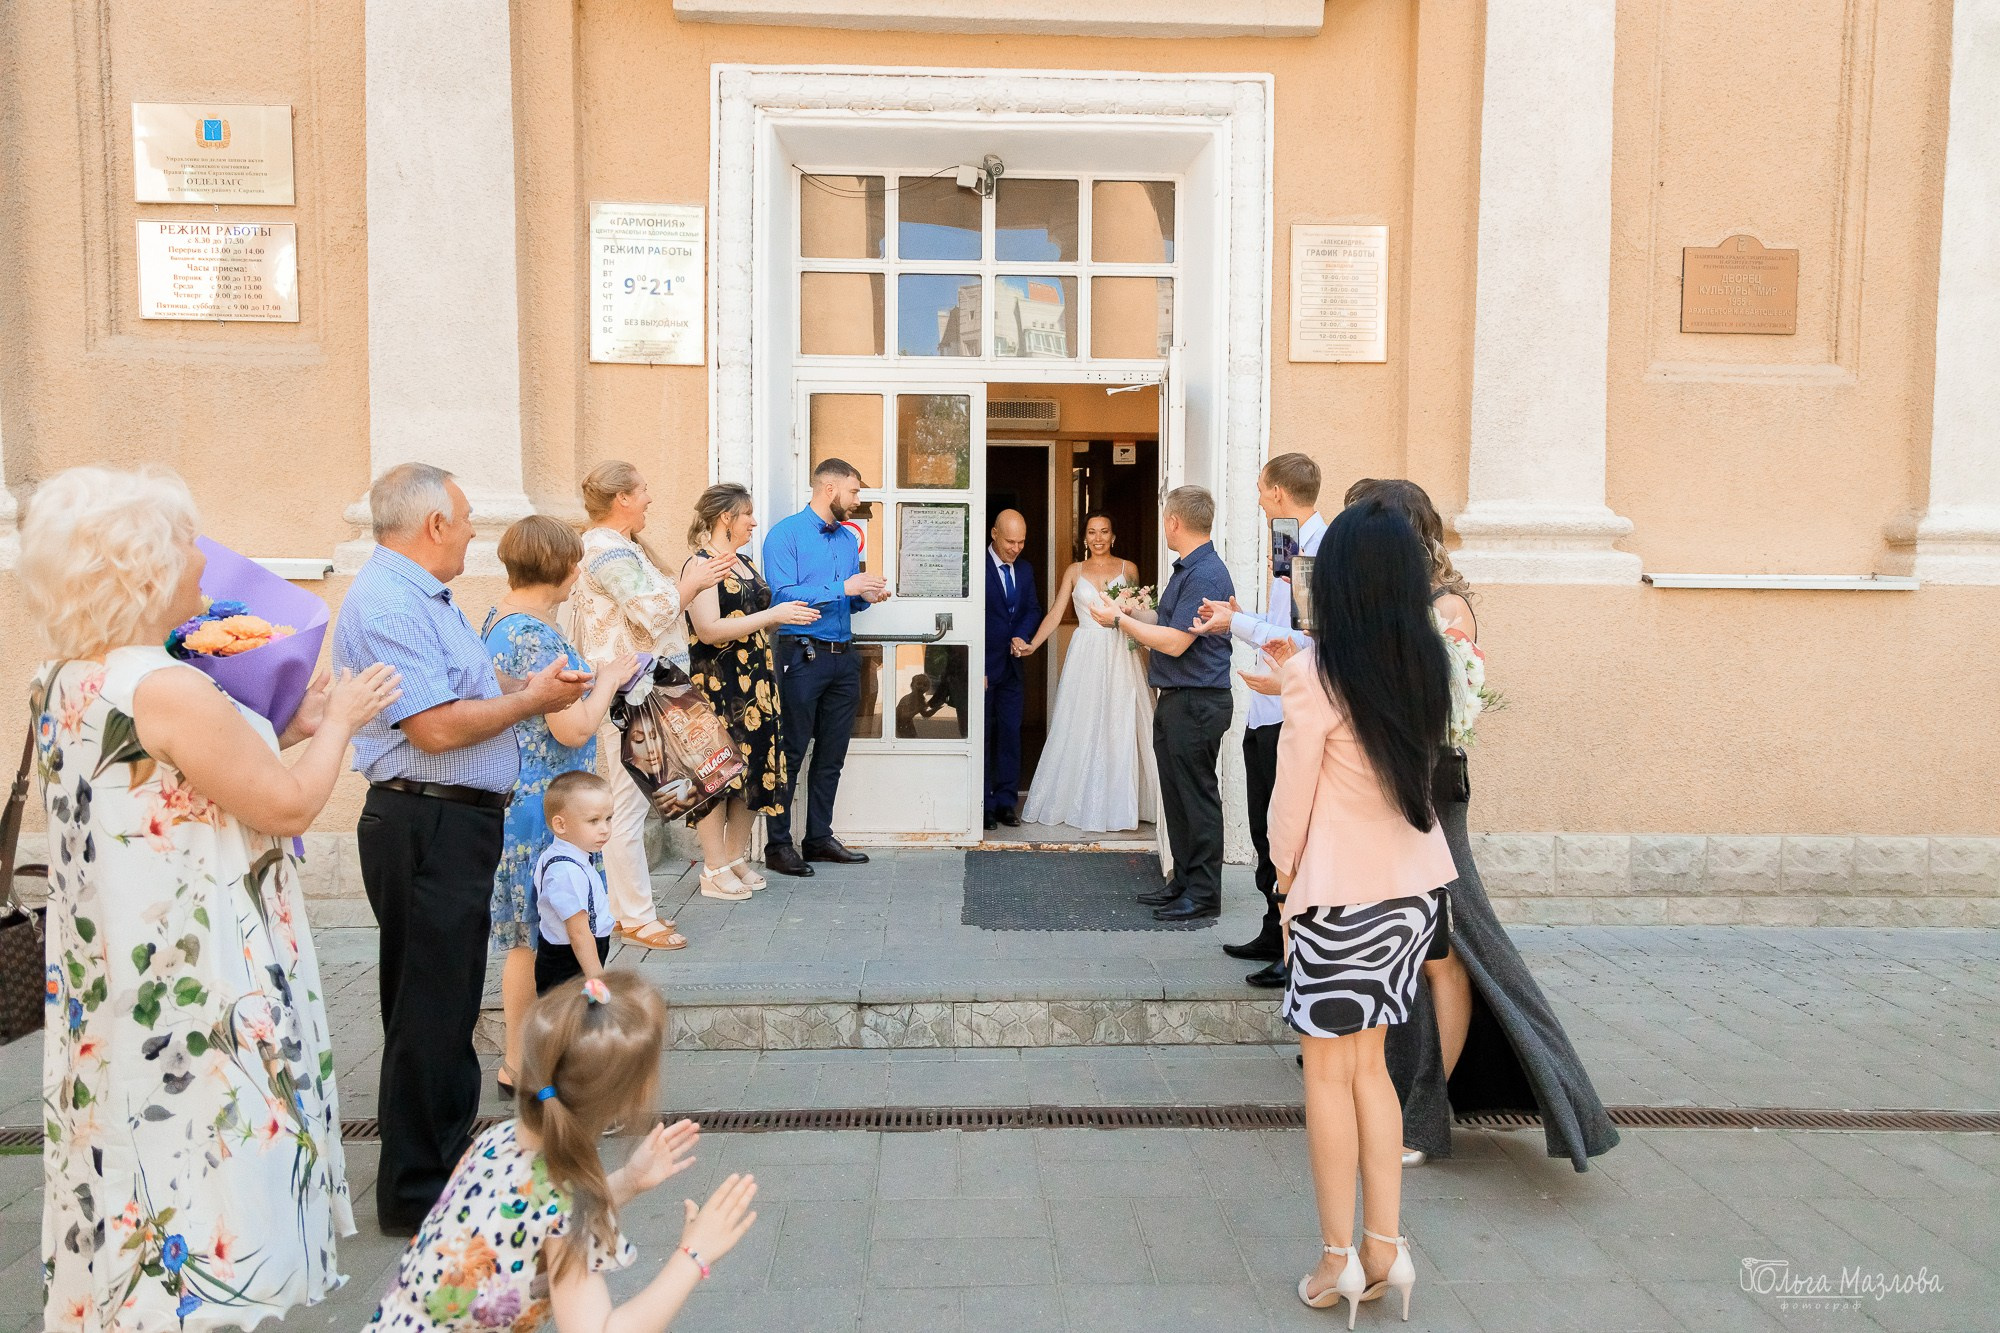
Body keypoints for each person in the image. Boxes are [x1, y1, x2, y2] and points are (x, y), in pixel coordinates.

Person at [21, 465, 403, 1330]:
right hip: (197, 977)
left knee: (135, 1157)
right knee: (210, 1174)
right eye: (186, 541)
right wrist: (344, 719)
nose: (204, 558)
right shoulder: (169, 686)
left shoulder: (65, 677)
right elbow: (287, 805)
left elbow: (178, 783)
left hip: (120, 979)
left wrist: (290, 725)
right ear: (144, 568)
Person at [333, 462, 591, 1235]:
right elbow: (436, 727)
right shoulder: (390, 602)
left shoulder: (423, 597)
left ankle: (438, 1172)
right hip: (426, 820)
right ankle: (418, 1193)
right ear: (434, 525)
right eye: (468, 516)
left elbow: (459, 700)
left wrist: (525, 692)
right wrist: (533, 700)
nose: (476, 530)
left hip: (448, 820)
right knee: (429, 1012)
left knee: (442, 1009)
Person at [1345, 478, 1620, 1173]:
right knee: (1421, 951)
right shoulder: (1402, 605)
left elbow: (1442, 712)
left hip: (1432, 794)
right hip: (1399, 789)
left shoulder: (1445, 609)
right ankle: (1400, 1099)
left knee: (1453, 950)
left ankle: (1423, 1116)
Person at [1268, 498, 1458, 1323]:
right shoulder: (1425, 664)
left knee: (1328, 1074)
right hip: (1409, 892)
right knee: (1372, 1067)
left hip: (1336, 897)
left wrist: (1282, 881)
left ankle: (1335, 1257)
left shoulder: (1316, 673)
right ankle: (1386, 1247)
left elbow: (1291, 805)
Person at [365, 973, 761, 1330]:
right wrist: (693, 1255)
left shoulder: (498, 1140)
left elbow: (533, 1216)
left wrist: (628, 1181)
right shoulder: (565, 1207)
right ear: (627, 1097)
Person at [484, 514, 639, 1099]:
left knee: (527, 939)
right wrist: (611, 679)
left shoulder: (499, 621)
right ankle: (534, 1066)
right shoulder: (535, 635)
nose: (579, 571)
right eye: (575, 562)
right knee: (543, 940)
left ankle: (521, 1063)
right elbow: (572, 728)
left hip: (525, 799)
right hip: (547, 808)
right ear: (561, 568)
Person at [567, 460, 733, 950]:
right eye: (642, 490)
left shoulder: (619, 546)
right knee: (627, 806)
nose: (649, 499)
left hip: (641, 689)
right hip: (631, 693)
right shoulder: (605, 549)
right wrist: (695, 581)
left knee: (630, 804)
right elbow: (652, 611)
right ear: (621, 498)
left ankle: (627, 912)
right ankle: (636, 917)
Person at [1193, 453, 1327, 986]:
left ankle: (1295, 950)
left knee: (1287, 835)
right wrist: (1242, 617)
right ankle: (1274, 930)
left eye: (1260, 490)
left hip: (1290, 711)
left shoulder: (1316, 552)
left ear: (1277, 492)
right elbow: (1281, 622)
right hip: (1266, 710)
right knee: (1265, 829)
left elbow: (1305, 640)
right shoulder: (1287, 542)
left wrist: (1236, 623)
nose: (1258, 499)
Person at [1090, 486, 1235, 919]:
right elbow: (1165, 620)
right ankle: (1184, 882)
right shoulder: (1190, 569)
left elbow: (1174, 642)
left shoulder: (1204, 573)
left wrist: (1120, 621)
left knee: (1196, 799)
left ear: (1174, 522)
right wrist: (1129, 613)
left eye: (1164, 520)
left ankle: (1203, 894)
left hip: (1196, 701)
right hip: (1180, 699)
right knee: (1177, 797)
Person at [683, 483, 820, 899]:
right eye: (747, 514)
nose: (754, 522)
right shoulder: (700, 565)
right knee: (718, 775)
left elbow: (752, 617)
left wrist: (782, 617)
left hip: (757, 684)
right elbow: (708, 629)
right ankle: (712, 868)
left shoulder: (743, 562)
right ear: (726, 517)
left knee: (753, 770)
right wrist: (771, 614)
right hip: (719, 686)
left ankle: (733, 856)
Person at [760, 457, 891, 877]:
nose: (857, 500)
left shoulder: (848, 540)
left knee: (832, 755)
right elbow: (782, 595)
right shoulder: (785, 535)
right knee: (791, 751)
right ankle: (778, 846)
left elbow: (845, 600)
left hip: (843, 658)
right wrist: (843, 586)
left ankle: (818, 838)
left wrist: (863, 597)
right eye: (853, 491)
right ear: (829, 489)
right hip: (801, 656)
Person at [1019, 512, 1163, 836]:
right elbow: (1056, 613)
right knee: (1082, 720)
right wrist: (1032, 645)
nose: (1098, 538)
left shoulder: (1129, 568)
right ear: (1084, 537)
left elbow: (1139, 614)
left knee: (1121, 720)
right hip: (1085, 652)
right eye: (1092, 532)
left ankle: (1126, 805)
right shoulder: (1074, 571)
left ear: (1113, 536)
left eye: (1104, 531)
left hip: (1120, 650)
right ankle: (1082, 802)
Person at [982, 509, 1044, 829]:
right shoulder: (975, 566)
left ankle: (1006, 802)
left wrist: (1022, 634)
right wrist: (975, 666)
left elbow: (1032, 609)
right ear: (994, 534)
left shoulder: (1026, 569)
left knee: (1009, 735)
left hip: (1012, 668)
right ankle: (984, 804)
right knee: (983, 736)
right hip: (982, 668)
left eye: (1021, 542)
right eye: (1010, 541)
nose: (1016, 548)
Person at [534, 771, 617, 993]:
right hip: (571, 964)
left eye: (608, 818)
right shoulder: (567, 871)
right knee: (573, 1014)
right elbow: (578, 933)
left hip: (575, 957)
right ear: (561, 825)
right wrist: (597, 980)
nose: (604, 829)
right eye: (593, 821)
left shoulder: (565, 857)